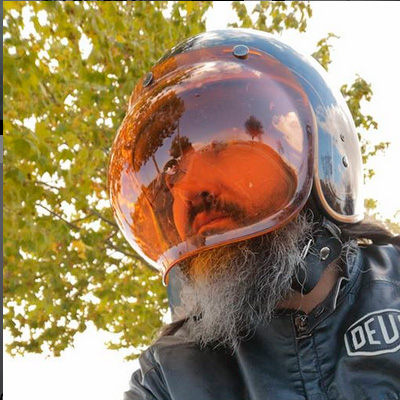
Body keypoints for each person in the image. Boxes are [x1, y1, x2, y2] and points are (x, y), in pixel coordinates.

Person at [108, 29, 400, 400]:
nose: (189, 189)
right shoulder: (168, 376)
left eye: (217, 147)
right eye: (171, 176)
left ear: (313, 155)